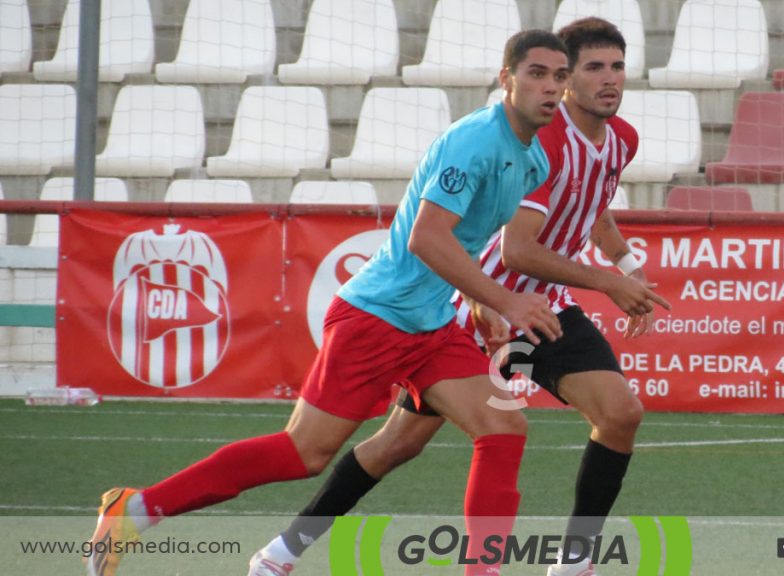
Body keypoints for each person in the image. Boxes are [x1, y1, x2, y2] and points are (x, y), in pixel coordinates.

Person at [85, 29, 572, 576]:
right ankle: (137, 508)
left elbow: (461, 242)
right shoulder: (475, 142)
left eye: (559, 76)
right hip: (376, 317)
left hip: (430, 325)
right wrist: (505, 299)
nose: (550, 87)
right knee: (303, 454)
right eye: (536, 74)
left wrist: (478, 304)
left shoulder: (532, 160)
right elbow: (426, 239)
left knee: (503, 428)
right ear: (506, 79)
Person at [247, 18, 670, 576]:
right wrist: (609, 284)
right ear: (565, 82)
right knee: (396, 445)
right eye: (593, 68)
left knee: (620, 414)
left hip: (544, 310)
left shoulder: (622, 139)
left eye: (617, 66)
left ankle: (574, 562)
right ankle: (283, 551)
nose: (609, 78)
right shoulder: (545, 142)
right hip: (485, 307)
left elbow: (594, 206)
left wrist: (628, 265)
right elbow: (517, 250)